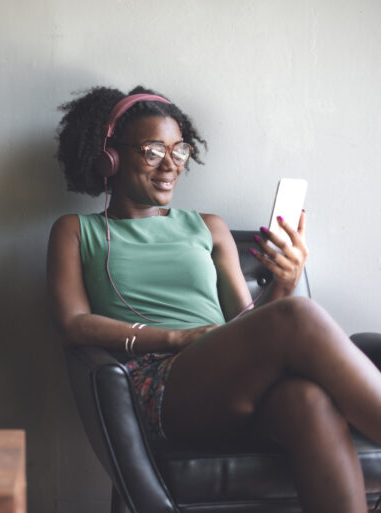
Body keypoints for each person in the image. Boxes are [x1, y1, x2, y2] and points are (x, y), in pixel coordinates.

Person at [47, 85, 381, 513]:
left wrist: (283, 282)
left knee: (307, 400)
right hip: (159, 385)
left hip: (227, 374)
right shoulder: (76, 231)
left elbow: (245, 320)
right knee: (297, 314)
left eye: (179, 150)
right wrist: (177, 339)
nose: (170, 165)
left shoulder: (208, 226)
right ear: (109, 156)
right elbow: (73, 324)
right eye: (152, 151)